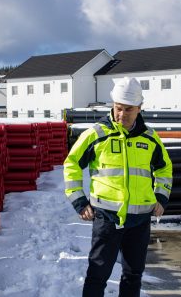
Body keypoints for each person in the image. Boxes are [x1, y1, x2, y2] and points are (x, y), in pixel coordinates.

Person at [63, 76, 173, 297]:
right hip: (107, 218)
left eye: (128, 110)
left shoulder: (150, 139)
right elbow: (71, 163)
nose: (122, 114)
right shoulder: (96, 134)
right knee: (97, 274)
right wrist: (79, 201)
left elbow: (164, 169)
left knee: (133, 275)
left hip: (140, 221)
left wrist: (161, 198)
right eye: (118, 108)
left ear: (140, 108)